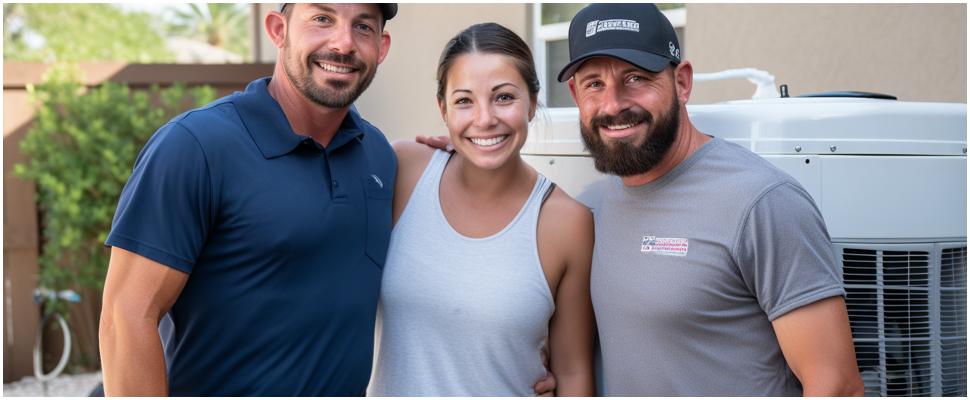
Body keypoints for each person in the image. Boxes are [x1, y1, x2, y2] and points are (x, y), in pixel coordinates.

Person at [557, 3, 865, 396]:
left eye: (636, 78)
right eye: (594, 84)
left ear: (682, 82)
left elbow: (837, 386)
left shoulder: (761, 202)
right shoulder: (594, 204)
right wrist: (457, 158)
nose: (613, 105)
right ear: (574, 94)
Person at [98, 4, 398, 396]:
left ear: (382, 46)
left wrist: (462, 151)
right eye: (322, 19)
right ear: (278, 30)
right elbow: (126, 318)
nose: (343, 43)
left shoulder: (378, 155)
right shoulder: (196, 146)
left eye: (363, 26)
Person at [367, 23, 595, 396]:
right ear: (442, 109)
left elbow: (572, 373)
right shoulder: (404, 169)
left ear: (533, 103)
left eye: (504, 97)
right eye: (464, 101)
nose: (484, 118)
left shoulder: (567, 222)